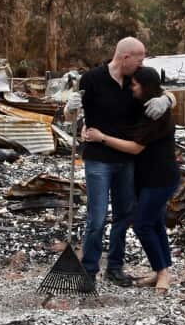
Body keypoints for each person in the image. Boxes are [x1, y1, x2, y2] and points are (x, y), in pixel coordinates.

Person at [64, 38, 173, 286]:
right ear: (125, 57)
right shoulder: (91, 79)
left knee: (123, 216)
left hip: (127, 159)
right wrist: (69, 109)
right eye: (139, 60)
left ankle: (114, 267)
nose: (141, 65)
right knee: (97, 218)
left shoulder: (136, 80)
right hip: (98, 159)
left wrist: (166, 100)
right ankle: (89, 271)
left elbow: (164, 92)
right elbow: (69, 115)